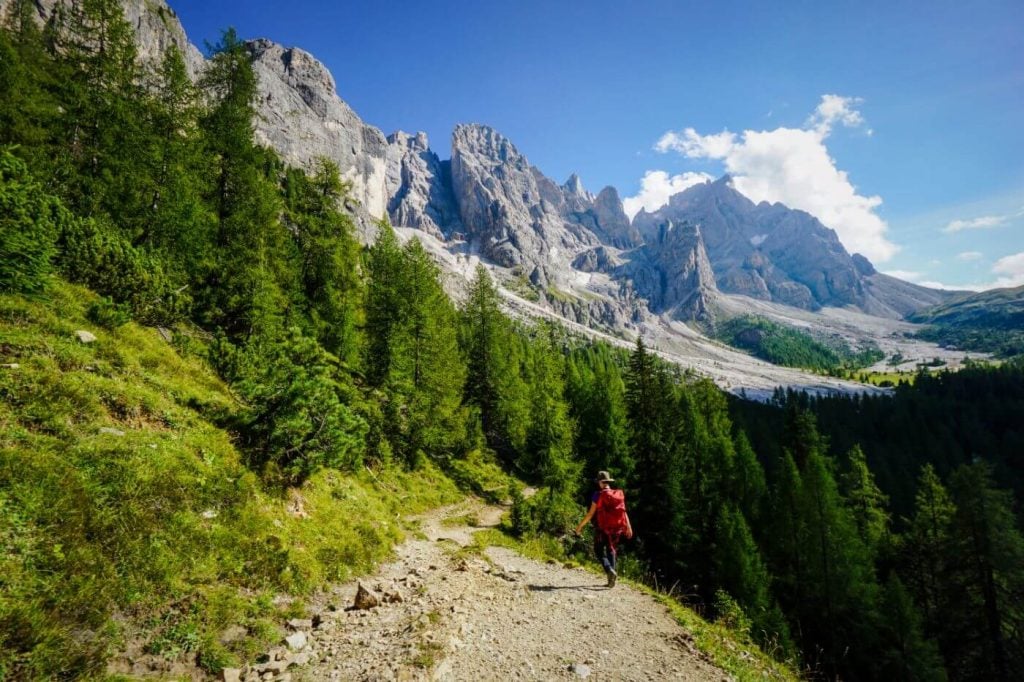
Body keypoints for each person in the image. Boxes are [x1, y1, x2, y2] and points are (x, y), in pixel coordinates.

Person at [573, 471, 633, 587]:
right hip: (616, 528)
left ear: (601, 482)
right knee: (611, 550)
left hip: (602, 528)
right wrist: (628, 526)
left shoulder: (598, 495)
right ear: (609, 482)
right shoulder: (618, 494)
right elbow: (623, 512)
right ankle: (611, 581)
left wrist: (579, 527)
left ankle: (609, 569)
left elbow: (591, 514)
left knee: (598, 550)